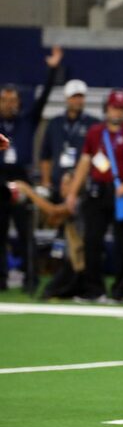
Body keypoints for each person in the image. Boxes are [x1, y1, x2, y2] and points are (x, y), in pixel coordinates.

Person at [66, 89, 123, 302]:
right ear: (107, 108)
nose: (118, 112)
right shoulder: (95, 132)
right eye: (115, 107)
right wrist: (73, 193)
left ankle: (119, 291)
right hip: (97, 191)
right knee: (91, 240)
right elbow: (85, 163)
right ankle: (95, 290)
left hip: (122, 192)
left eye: (122, 108)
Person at [0, 46, 62, 291]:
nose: (9, 104)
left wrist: (52, 69)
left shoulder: (27, 120)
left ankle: (30, 278)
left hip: (21, 177)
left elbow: (44, 96)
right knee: (0, 232)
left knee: (26, 232)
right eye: (4, 100)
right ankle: (2, 279)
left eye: (13, 100)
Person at [11, 175, 84, 299]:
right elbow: (53, 220)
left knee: (51, 291)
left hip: (80, 260)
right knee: (50, 290)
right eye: (62, 183)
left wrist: (29, 192)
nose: (62, 187)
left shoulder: (78, 202)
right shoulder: (67, 203)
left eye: (66, 183)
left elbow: (53, 211)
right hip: (71, 258)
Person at [39, 79, 99, 200]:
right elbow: (45, 155)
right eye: (74, 97)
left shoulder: (94, 124)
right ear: (66, 98)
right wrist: (46, 181)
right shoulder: (55, 123)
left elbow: (99, 156)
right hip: (57, 182)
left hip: (83, 183)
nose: (78, 100)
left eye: (80, 97)